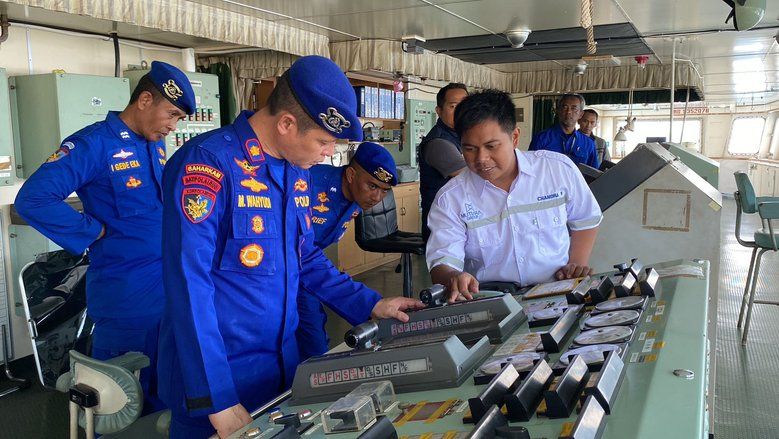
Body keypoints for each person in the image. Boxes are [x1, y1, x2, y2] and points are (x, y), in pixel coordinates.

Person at [158, 55, 423, 438]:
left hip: (280, 368)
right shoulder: (209, 165)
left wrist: (370, 304)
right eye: (324, 141)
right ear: (286, 124)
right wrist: (216, 398)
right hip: (221, 378)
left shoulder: (295, 172)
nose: (329, 153)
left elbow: (306, 257)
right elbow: (189, 283)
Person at [14, 61, 194, 412]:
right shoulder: (92, 144)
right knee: (118, 403)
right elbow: (33, 199)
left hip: (165, 292)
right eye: (171, 114)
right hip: (125, 299)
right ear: (144, 100)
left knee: (165, 396)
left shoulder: (153, 144)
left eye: (179, 119)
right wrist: (91, 230)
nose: (173, 126)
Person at [425, 90, 602, 301]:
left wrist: (575, 265)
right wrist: (453, 276)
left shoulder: (557, 170)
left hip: (556, 292)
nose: (481, 158)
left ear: (515, 137)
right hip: (491, 301)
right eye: (469, 148)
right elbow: (442, 261)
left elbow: (586, 219)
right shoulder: (451, 198)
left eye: (491, 146)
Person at [297, 142, 398, 360]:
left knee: (314, 339)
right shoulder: (309, 184)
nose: (377, 198)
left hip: (309, 270)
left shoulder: (357, 197)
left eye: (384, 190)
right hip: (286, 270)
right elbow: (300, 251)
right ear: (351, 175)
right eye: (372, 186)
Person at [418, 83, 468, 242]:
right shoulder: (438, 142)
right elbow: (473, 177)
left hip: (461, 220)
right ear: (439, 111)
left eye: (464, 105)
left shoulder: (463, 136)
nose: (460, 112)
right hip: (443, 227)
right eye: (453, 106)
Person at [529, 93, 600, 169]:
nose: (569, 112)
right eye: (564, 107)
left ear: (581, 114)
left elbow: (594, 172)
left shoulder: (588, 143)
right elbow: (530, 168)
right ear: (558, 110)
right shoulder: (541, 138)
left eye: (574, 108)